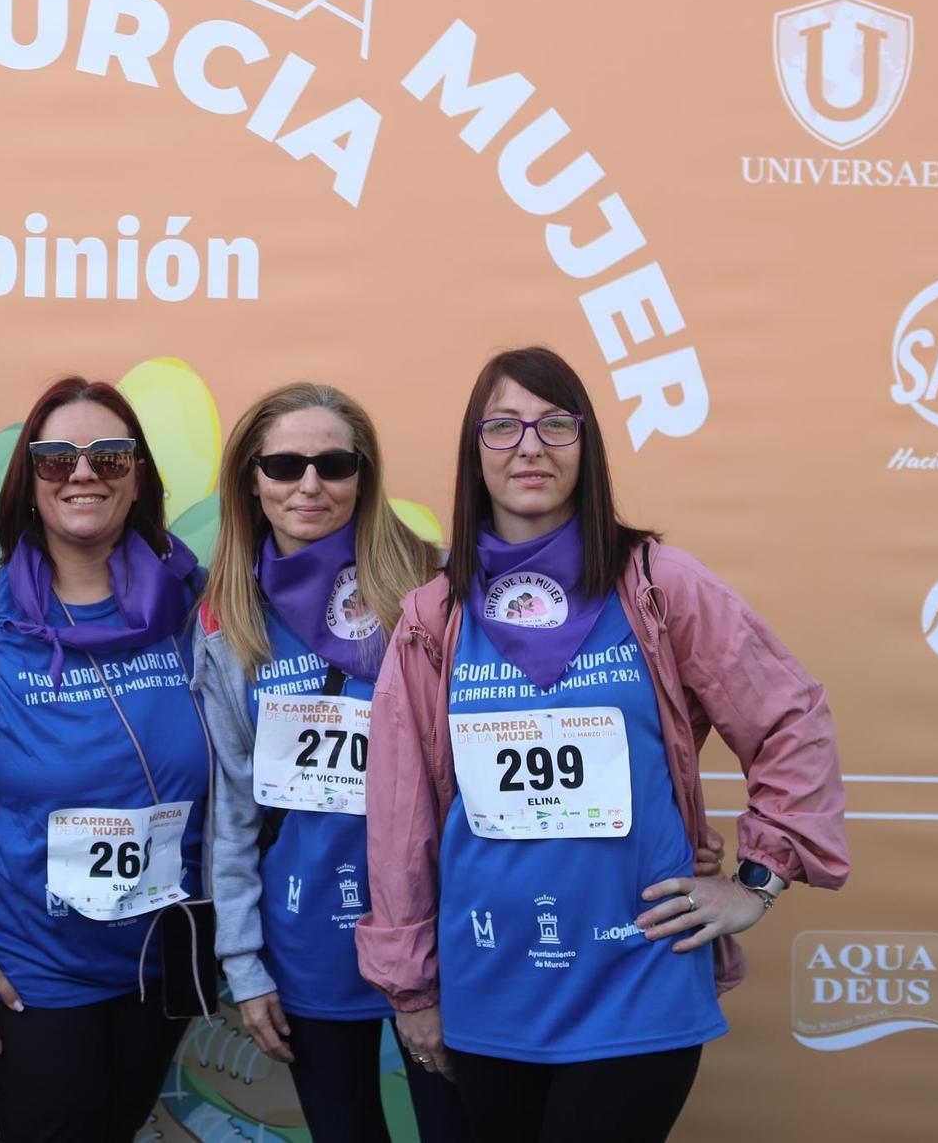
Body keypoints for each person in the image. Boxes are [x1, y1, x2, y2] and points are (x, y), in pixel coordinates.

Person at [358, 346, 849, 1143]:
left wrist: (758, 882)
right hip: (488, 983)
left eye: (556, 424)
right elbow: (398, 814)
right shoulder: (433, 615)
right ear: (472, 452)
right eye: (504, 426)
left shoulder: (660, 584)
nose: (530, 445)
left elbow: (791, 717)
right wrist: (410, 987)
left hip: (637, 979)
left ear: (586, 447)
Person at [0, 376, 209, 1143]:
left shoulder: (190, 602)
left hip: (156, 955)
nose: (82, 473)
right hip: (32, 964)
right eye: (55, 457)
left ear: (137, 478)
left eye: (108, 456)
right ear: (28, 482)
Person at [196, 383, 469, 1142]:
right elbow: (233, 814)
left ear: (364, 475)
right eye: (284, 464)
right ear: (252, 479)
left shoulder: (435, 589)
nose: (308, 484)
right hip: (309, 930)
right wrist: (244, 963)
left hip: (441, 927)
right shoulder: (228, 619)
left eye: (333, 463)